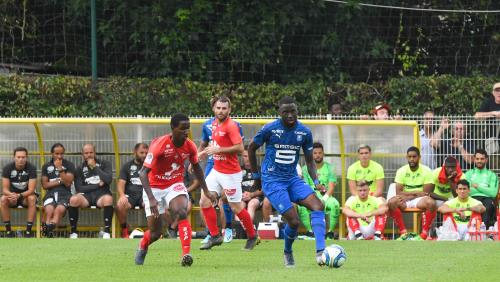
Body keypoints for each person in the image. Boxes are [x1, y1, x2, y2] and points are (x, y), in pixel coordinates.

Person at [248, 96, 327, 267]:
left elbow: (309, 160)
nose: (290, 115)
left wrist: (316, 181)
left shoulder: (304, 132)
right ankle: (288, 252)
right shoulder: (270, 129)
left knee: (318, 206)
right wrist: (256, 177)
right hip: (273, 181)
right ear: (279, 113)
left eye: (293, 111)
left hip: (292, 179)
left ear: (297, 111)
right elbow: (251, 148)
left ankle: (321, 252)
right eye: (286, 112)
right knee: (294, 221)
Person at [134, 113, 216, 266]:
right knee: (155, 233)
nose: (186, 132)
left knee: (181, 211)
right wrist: (152, 199)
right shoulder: (159, 145)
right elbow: (142, 173)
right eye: (182, 128)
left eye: (188, 128)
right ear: (173, 128)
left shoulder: (190, 145)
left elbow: (197, 167)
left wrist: (206, 191)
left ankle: (186, 254)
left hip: (174, 184)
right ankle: (143, 245)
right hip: (154, 187)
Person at [198, 96, 259, 250]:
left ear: (229, 110)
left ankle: (252, 236)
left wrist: (217, 150)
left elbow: (240, 148)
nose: (221, 111)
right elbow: (213, 144)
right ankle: (214, 235)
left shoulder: (231, 126)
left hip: (230, 174)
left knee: (236, 207)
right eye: (218, 108)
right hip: (216, 170)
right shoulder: (213, 124)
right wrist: (202, 153)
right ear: (213, 108)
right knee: (204, 201)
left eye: (224, 108)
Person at [387, 146, 436, 240]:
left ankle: (424, 235)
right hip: (405, 199)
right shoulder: (401, 171)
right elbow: (398, 192)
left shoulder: (427, 170)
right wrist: (416, 192)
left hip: (417, 200)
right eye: (409, 157)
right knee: (392, 202)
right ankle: (403, 233)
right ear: (407, 157)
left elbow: (426, 193)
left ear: (419, 157)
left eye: (414, 156)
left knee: (431, 203)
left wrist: (410, 195)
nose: (412, 159)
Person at [68, 144, 114, 239]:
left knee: (108, 199)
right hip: (86, 196)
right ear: (82, 154)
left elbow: (108, 180)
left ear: (95, 153)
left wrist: (95, 167)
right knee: (73, 200)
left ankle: (107, 232)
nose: (89, 155)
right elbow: (80, 188)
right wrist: (98, 185)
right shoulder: (79, 168)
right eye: (86, 153)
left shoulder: (105, 164)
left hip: (102, 195)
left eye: (91, 152)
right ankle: (73, 232)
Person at [299, 142, 340, 239]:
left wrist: (324, 199)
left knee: (335, 204)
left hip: (327, 196)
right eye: (315, 153)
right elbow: (306, 186)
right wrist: (314, 198)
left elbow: (331, 187)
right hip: (311, 196)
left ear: (323, 154)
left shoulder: (330, 168)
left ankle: (330, 233)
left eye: (319, 153)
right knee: (301, 207)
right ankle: (310, 232)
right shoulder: (305, 169)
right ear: (311, 155)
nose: (317, 155)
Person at [1, 147, 37, 237]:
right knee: (2, 199)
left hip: (25, 197)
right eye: (18, 157)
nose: (21, 159)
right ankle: (9, 231)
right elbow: (5, 189)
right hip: (12, 197)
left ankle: (28, 231)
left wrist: (19, 195)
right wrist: (12, 195)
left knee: (32, 198)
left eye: (23, 157)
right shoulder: (7, 168)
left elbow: (31, 190)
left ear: (26, 158)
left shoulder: (31, 168)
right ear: (14, 157)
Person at [41, 143, 75, 238]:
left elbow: (68, 183)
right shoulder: (46, 166)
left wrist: (60, 169)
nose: (59, 156)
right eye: (56, 154)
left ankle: (49, 228)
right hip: (50, 193)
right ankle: (48, 231)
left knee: (59, 209)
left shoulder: (69, 165)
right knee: (49, 209)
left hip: (65, 194)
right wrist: (61, 180)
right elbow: (45, 185)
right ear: (51, 153)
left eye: (61, 154)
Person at [116, 142, 149, 238]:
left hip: (146, 195)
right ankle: (125, 230)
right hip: (131, 196)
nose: (144, 155)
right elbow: (120, 184)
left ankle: (151, 231)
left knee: (153, 205)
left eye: (146, 153)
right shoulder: (127, 166)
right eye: (141, 152)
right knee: (120, 205)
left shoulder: (151, 166)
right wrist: (122, 195)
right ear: (135, 152)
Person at [464, 149, 499, 234]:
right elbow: (465, 191)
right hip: (471, 198)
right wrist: (485, 189)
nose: (479, 161)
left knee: (488, 206)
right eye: (477, 159)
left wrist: (477, 186)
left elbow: (493, 193)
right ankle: (467, 232)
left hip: (487, 199)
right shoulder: (468, 174)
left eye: (482, 159)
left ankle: (483, 232)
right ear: (474, 159)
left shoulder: (492, 175)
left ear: (486, 160)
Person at [474, 82, 500, 155]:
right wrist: (493, 113)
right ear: (493, 92)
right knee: (493, 163)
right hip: (491, 139)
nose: (499, 93)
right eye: (497, 90)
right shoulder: (488, 102)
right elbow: (476, 116)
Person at [240, 148, 263, 222]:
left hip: (256, 197)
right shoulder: (238, 170)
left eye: (249, 156)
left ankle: (248, 229)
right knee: (239, 207)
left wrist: (252, 194)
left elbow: (265, 189)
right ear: (242, 157)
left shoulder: (260, 170)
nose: (247, 159)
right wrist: (241, 195)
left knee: (251, 204)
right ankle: (240, 230)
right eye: (245, 156)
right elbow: (233, 187)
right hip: (241, 197)